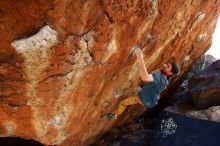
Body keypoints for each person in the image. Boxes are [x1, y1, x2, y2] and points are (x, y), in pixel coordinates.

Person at [107, 47, 180, 120]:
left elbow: (145, 77)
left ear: (170, 73)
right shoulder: (166, 79)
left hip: (144, 99)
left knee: (124, 103)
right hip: (152, 100)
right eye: (167, 64)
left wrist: (140, 58)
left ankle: (115, 115)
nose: (164, 65)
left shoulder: (160, 79)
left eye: (168, 66)